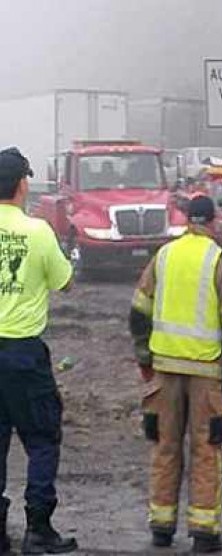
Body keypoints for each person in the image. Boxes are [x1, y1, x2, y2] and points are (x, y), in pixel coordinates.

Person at [129, 195, 222, 553]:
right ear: (211, 222)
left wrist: (145, 357)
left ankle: (161, 526)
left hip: (164, 370)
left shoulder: (164, 256)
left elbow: (138, 312)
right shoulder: (218, 260)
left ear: (186, 220)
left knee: (165, 447)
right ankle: (204, 531)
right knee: (206, 449)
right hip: (204, 371)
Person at [0, 147, 77, 555]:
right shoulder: (38, 231)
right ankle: (38, 527)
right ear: (23, 184)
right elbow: (65, 282)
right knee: (43, 438)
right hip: (24, 353)